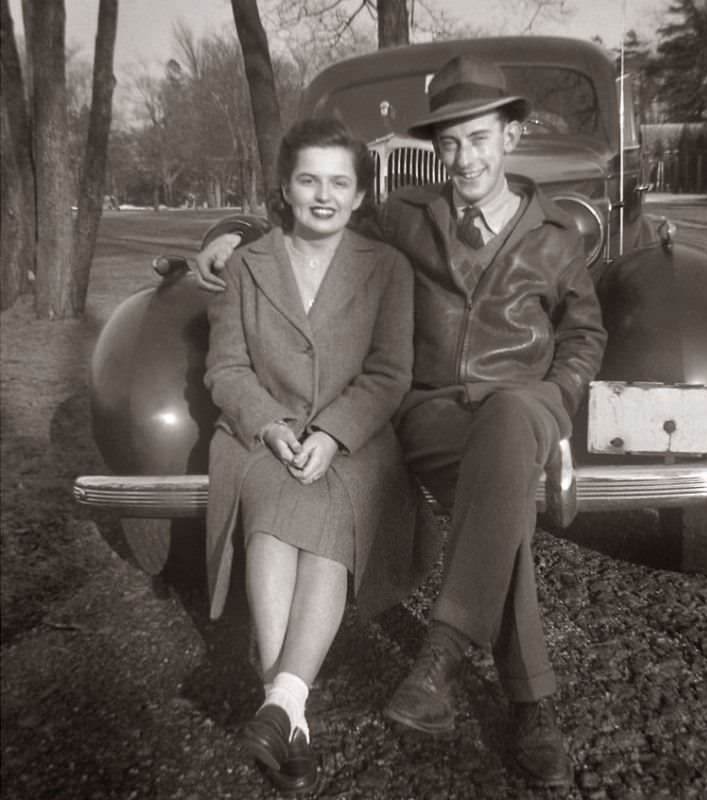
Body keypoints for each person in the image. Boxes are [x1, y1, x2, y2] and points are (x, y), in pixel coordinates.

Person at [196, 56, 607, 790]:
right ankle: (526, 701)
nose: (464, 157)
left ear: (510, 135)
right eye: (449, 144)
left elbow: (585, 333)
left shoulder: (556, 235)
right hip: (434, 413)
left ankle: (447, 659)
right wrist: (229, 234)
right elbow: (317, 214)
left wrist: (562, 393)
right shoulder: (408, 217)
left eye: (479, 138)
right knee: (501, 496)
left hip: (524, 405)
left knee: (512, 424)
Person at [203, 117, 417, 795]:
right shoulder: (248, 264)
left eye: (339, 183)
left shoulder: (387, 268)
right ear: (285, 189)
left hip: (353, 438)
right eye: (308, 180)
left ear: (359, 197)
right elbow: (226, 369)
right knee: (269, 508)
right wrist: (269, 427)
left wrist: (333, 434)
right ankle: (287, 711)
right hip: (259, 435)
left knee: (328, 517)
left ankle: (282, 705)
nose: (323, 195)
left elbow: (389, 374)